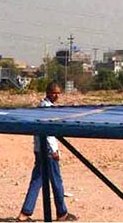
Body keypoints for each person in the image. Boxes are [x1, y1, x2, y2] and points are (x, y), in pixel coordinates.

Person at [17, 82, 76, 222]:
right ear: (48, 92)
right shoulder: (47, 109)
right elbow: (48, 132)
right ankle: (62, 213)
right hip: (47, 151)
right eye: (54, 93)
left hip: (40, 149)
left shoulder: (42, 107)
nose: (56, 96)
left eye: (58, 93)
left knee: (37, 180)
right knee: (56, 181)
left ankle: (25, 213)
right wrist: (54, 150)